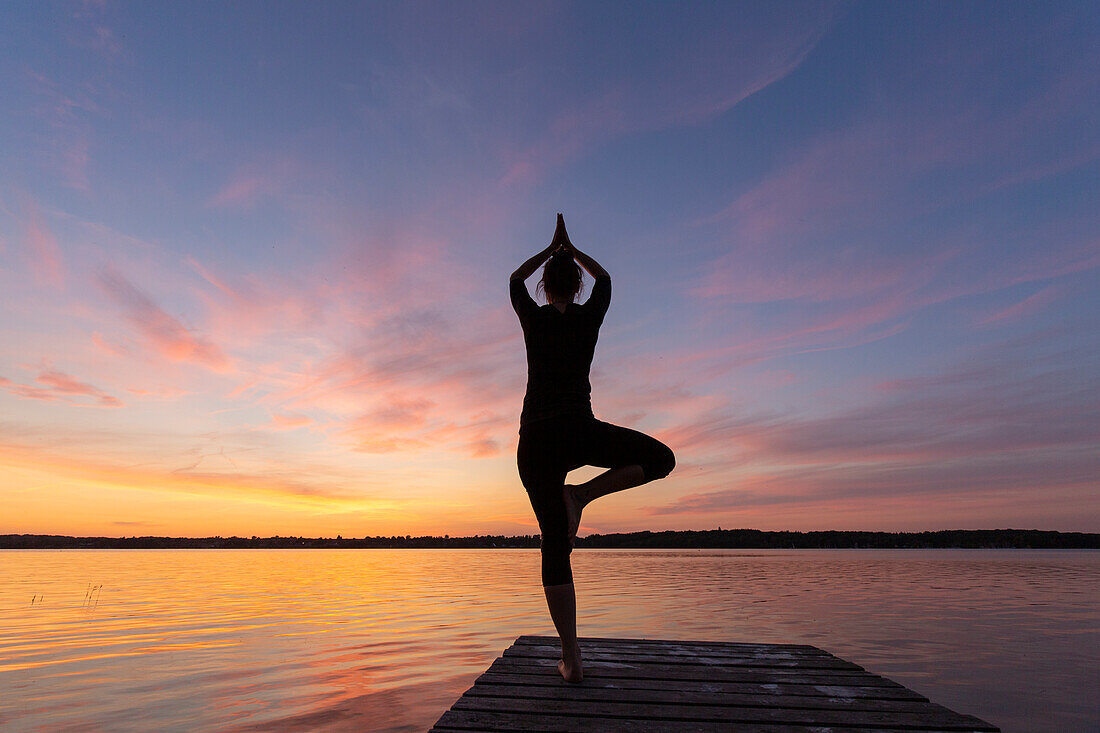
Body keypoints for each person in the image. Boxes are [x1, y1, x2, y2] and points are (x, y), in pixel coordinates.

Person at [509, 213, 676, 683]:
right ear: (577, 285)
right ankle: (581, 495)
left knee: (554, 543)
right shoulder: (588, 316)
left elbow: (512, 279)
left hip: (536, 439)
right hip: (578, 430)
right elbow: (606, 278)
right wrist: (572, 248)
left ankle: (572, 657)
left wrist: (551, 248)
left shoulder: (533, 317)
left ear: (545, 286)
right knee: (661, 459)